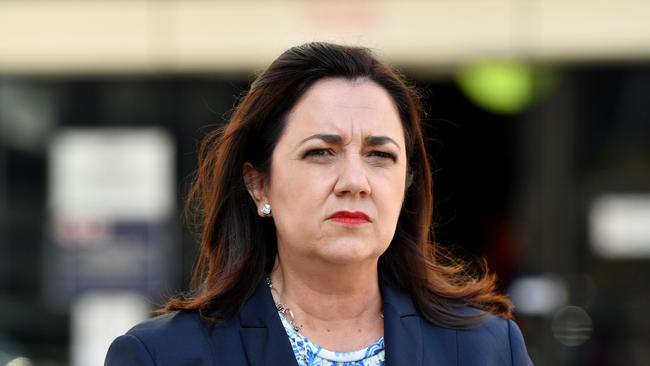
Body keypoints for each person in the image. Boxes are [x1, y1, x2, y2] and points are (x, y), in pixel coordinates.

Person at [105, 42, 533, 365]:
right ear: (259, 185)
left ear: (407, 186)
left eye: (380, 156)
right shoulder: (163, 356)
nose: (354, 182)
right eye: (321, 153)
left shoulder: (487, 349)